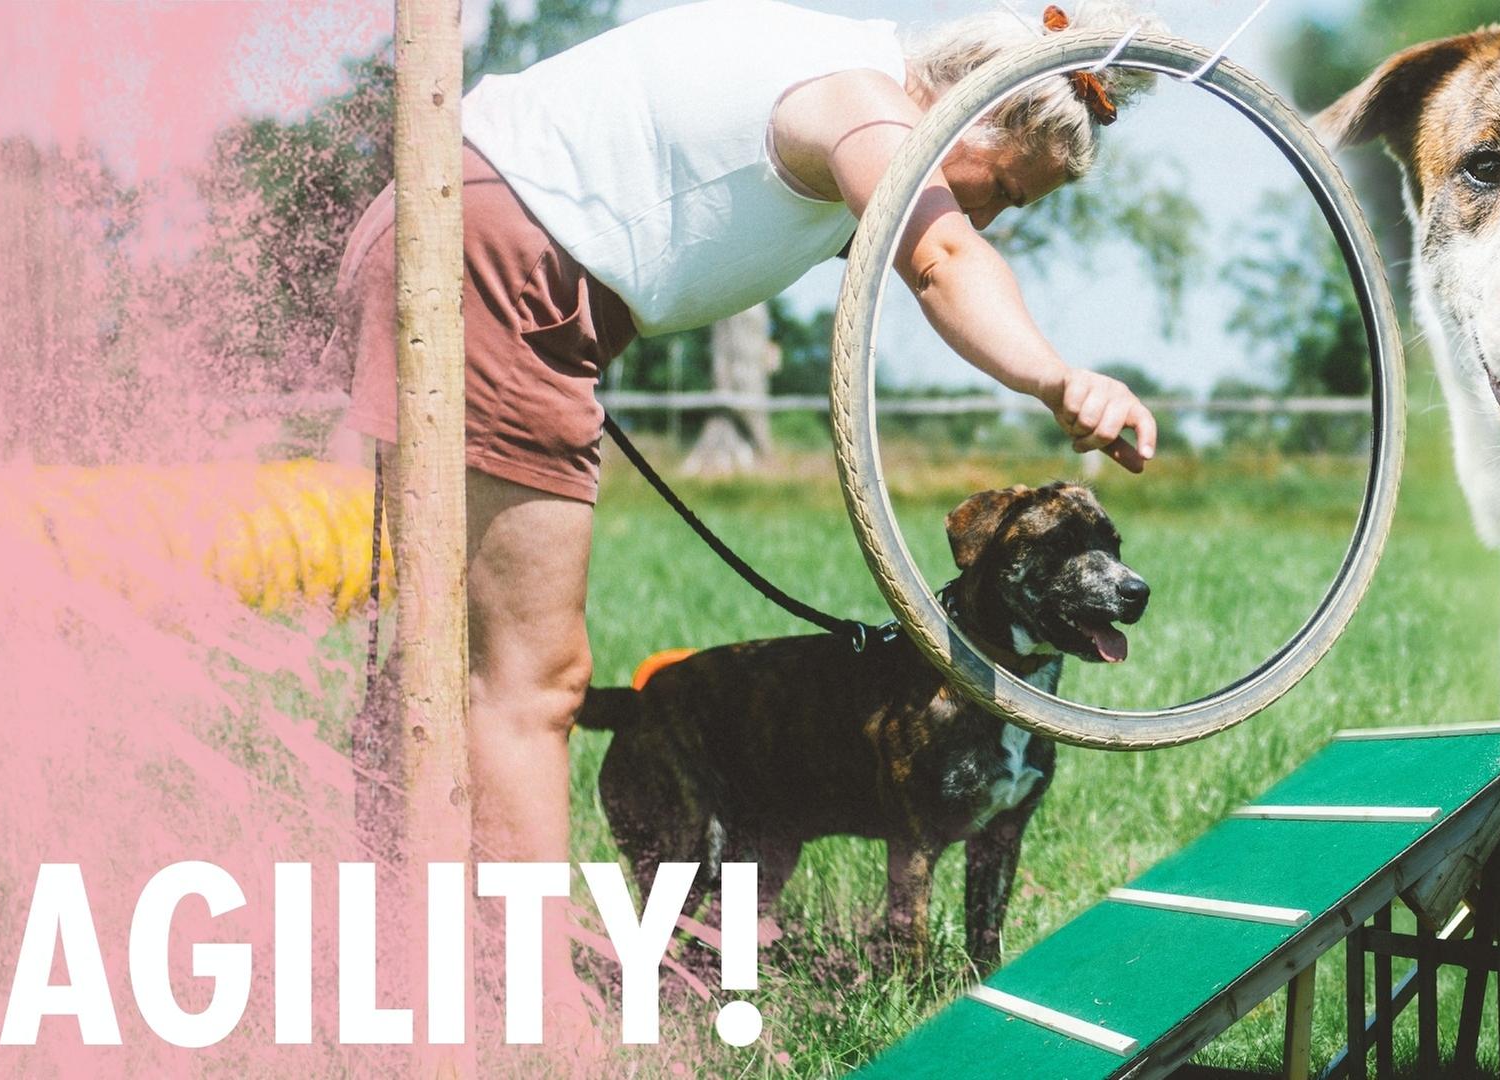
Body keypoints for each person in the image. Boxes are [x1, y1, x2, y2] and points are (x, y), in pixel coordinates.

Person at [323, 0, 1162, 1041]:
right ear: (973, 118)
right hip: (497, 263)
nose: (992, 217)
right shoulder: (866, 110)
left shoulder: (838, 63)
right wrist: (1055, 376)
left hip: (471, 236)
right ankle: (541, 1020)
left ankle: (393, 959)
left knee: (432, 653)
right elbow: (942, 258)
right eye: (1010, 190)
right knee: (532, 681)